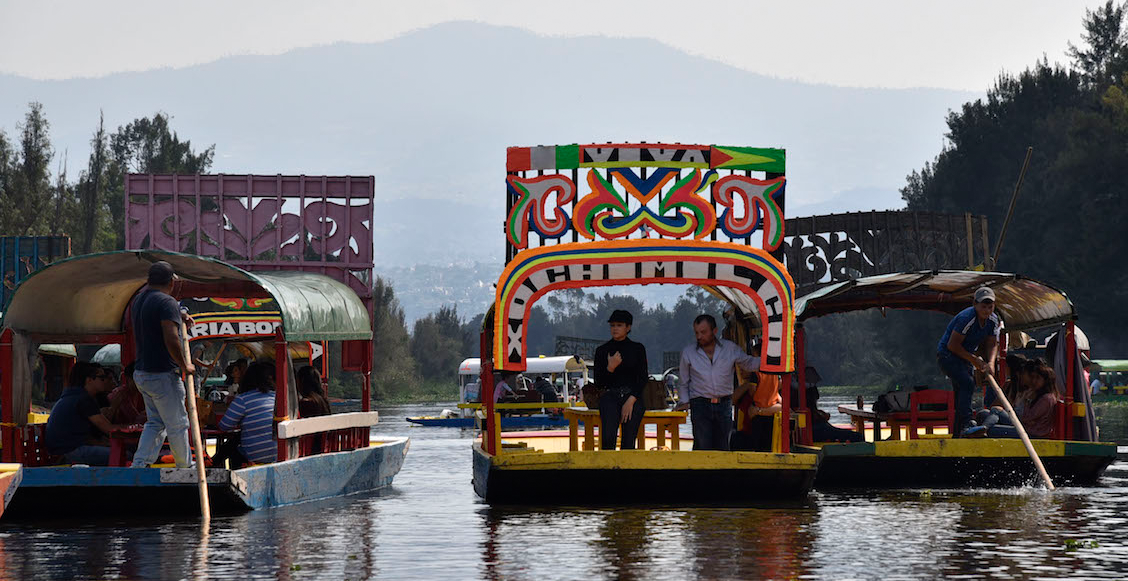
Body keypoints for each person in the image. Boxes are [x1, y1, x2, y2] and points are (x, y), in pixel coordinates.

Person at [130, 261, 195, 469]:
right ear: (171, 282)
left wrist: (179, 314)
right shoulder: (167, 302)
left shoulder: (139, 300)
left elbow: (156, 317)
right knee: (178, 424)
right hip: (162, 374)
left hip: (143, 373)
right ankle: (185, 467)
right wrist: (184, 365)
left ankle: (140, 465)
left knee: (156, 422)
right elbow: (171, 338)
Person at [675, 314, 759, 451]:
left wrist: (770, 360)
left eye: (703, 332)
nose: (699, 336)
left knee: (723, 446)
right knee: (702, 446)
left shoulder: (730, 348)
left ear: (714, 331)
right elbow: (683, 382)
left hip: (724, 404)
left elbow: (749, 363)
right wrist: (684, 402)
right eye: (696, 333)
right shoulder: (688, 353)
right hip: (700, 404)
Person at [936, 286, 1000, 436]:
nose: (986, 310)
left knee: (961, 394)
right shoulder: (967, 318)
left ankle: (958, 434)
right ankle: (966, 424)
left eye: (990, 307)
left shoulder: (993, 320)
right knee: (968, 383)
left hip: (964, 358)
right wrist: (975, 360)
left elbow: (992, 343)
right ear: (975, 305)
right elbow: (953, 345)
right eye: (983, 306)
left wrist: (990, 363)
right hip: (948, 356)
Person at [45, 362, 125, 465]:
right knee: (126, 455)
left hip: (63, 451)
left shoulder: (73, 395)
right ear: (89, 380)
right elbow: (109, 429)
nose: (105, 381)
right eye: (102, 378)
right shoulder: (83, 399)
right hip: (70, 453)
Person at [594, 309, 648, 450]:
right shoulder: (602, 350)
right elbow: (599, 382)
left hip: (632, 397)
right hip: (610, 396)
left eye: (619, 325)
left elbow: (642, 378)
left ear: (628, 327)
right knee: (608, 438)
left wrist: (631, 400)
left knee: (629, 441)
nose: (615, 329)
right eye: (612, 325)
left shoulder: (637, 349)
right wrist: (610, 368)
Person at [968, 359, 1058, 439]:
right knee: (984, 413)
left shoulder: (1047, 398)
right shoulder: (1033, 392)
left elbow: (1026, 418)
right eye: (1033, 377)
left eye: (1037, 378)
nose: (1034, 381)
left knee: (993, 425)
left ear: (1046, 381)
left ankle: (983, 428)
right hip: (1022, 426)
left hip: (1030, 433)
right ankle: (980, 428)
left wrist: (1026, 400)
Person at [215, 362, 277, 468]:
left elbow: (224, 426)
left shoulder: (243, 399)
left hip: (254, 457)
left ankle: (218, 467)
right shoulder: (278, 398)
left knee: (232, 446)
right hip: (278, 455)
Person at [788, 366, 863, 443]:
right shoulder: (803, 392)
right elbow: (810, 416)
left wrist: (820, 414)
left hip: (814, 427)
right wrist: (821, 416)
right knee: (858, 436)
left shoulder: (794, 390)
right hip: (814, 430)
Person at [730, 371, 783, 451]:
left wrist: (759, 411)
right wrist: (747, 384)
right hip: (747, 433)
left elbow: (784, 408)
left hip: (766, 432)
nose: (741, 371)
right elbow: (730, 401)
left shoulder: (773, 395)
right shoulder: (745, 391)